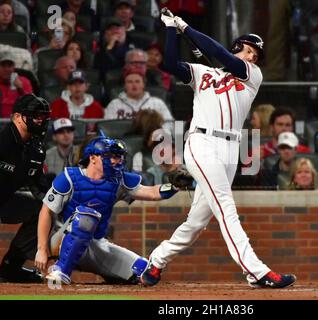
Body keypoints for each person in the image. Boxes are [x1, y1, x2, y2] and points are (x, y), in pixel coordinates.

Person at [140, 13, 296, 289]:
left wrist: (186, 27)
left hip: (230, 148)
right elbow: (169, 63)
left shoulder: (252, 76)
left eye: (255, 54)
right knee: (226, 206)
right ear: (238, 47)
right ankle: (256, 271)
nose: (251, 57)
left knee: (196, 223)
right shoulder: (203, 73)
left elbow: (219, 52)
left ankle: (156, 260)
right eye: (248, 50)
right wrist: (171, 31)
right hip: (201, 143)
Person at [34, 136, 180, 285]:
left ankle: (112, 275)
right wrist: (42, 249)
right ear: (93, 158)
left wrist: (175, 186)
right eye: (111, 156)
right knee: (86, 217)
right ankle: (60, 270)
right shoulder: (69, 177)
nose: (116, 161)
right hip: (62, 239)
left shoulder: (118, 179)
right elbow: (46, 211)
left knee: (143, 271)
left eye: (119, 157)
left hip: (96, 243)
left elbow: (152, 192)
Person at [0, 94, 51, 283]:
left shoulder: (36, 148)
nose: (40, 121)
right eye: (35, 116)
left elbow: (39, 185)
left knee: (42, 210)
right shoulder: (2, 140)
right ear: (17, 117)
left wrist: (56, 204)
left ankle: (10, 268)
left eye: (42, 117)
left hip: (4, 199)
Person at [104, 65, 174, 129]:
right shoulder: (114, 104)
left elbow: (169, 124)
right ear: (125, 86)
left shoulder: (157, 103)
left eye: (137, 81)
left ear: (143, 84)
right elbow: (107, 127)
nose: (134, 85)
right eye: (130, 82)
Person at [0, 51, 33, 118]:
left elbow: (31, 105)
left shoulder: (24, 81)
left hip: (18, 122)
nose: (6, 69)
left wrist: (21, 90)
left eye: (9, 66)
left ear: (13, 67)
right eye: (3, 66)